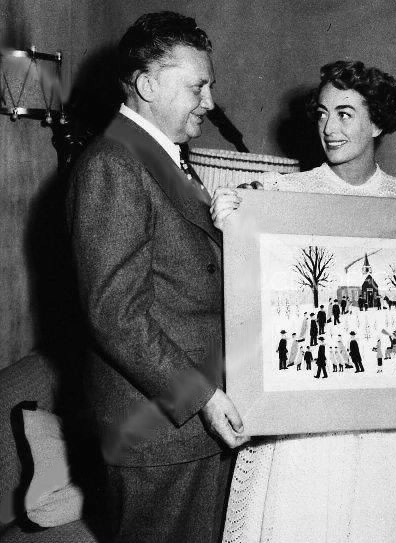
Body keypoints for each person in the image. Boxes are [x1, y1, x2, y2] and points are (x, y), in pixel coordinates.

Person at [214, 60, 396, 543]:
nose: (329, 128)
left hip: (383, 423)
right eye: (322, 113)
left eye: (345, 114)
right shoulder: (280, 195)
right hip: (302, 421)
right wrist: (233, 216)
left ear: (377, 122)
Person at [66, 12, 247, 543]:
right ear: (147, 85)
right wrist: (204, 397)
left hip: (184, 427)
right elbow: (115, 314)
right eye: (198, 86)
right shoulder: (113, 164)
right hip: (158, 430)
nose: (210, 102)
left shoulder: (163, 160)